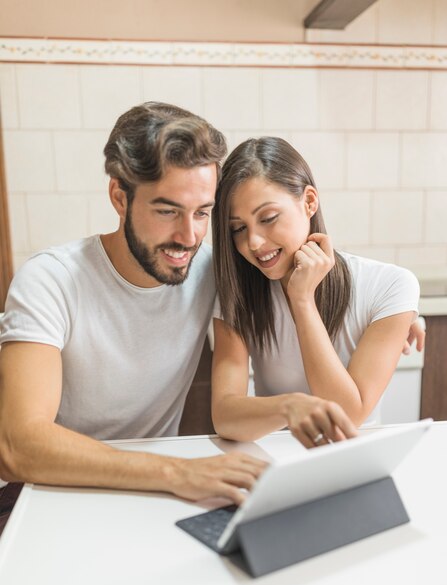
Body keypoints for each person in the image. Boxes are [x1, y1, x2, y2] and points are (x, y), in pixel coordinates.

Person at [0, 102, 268, 504]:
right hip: (53, 492)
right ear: (119, 196)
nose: (189, 236)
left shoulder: (211, 271)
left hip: (152, 492)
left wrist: (387, 308)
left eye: (202, 213)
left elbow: (285, 271)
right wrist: (176, 472)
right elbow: (19, 445)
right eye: (167, 210)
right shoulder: (50, 279)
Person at [211, 136, 421, 448]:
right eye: (238, 228)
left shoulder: (390, 285)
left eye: (268, 218)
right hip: (278, 458)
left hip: (356, 459)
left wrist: (302, 300)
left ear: (309, 202)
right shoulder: (237, 291)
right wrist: (290, 406)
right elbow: (225, 415)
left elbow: (348, 417)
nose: (253, 242)